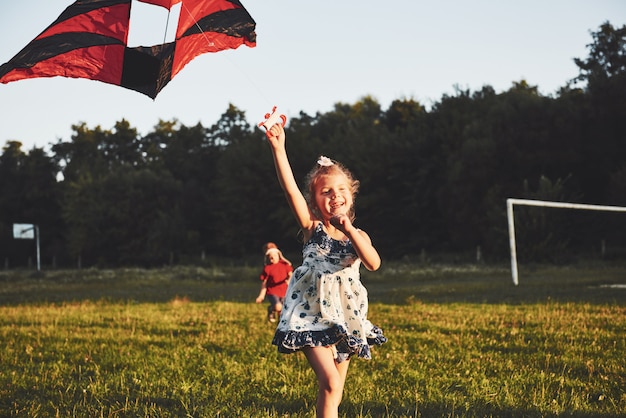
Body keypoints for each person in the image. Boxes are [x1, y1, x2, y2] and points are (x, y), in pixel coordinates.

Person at [265, 123, 386, 418]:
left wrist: (349, 229)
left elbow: (373, 263)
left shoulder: (359, 236)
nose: (335, 196)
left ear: (351, 196)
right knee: (330, 380)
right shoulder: (312, 229)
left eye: (341, 190)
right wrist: (278, 148)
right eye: (326, 192)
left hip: (345, 316)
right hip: (310, 314)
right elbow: (289, 188)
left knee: (335, 389)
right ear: (314, 202)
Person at [256, 242, 293, 322]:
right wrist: (261, 296)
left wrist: (289, 280)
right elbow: (264, 283)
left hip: (284, 291)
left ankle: (280, 325)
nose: (272, 258)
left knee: (283, 309)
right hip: (272, 291)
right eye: (270, 257)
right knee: (278, 307)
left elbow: (291, 274)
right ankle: (271, 309)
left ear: (279, 255)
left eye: (274, 256)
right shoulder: (267, 268)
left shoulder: (285, 265)